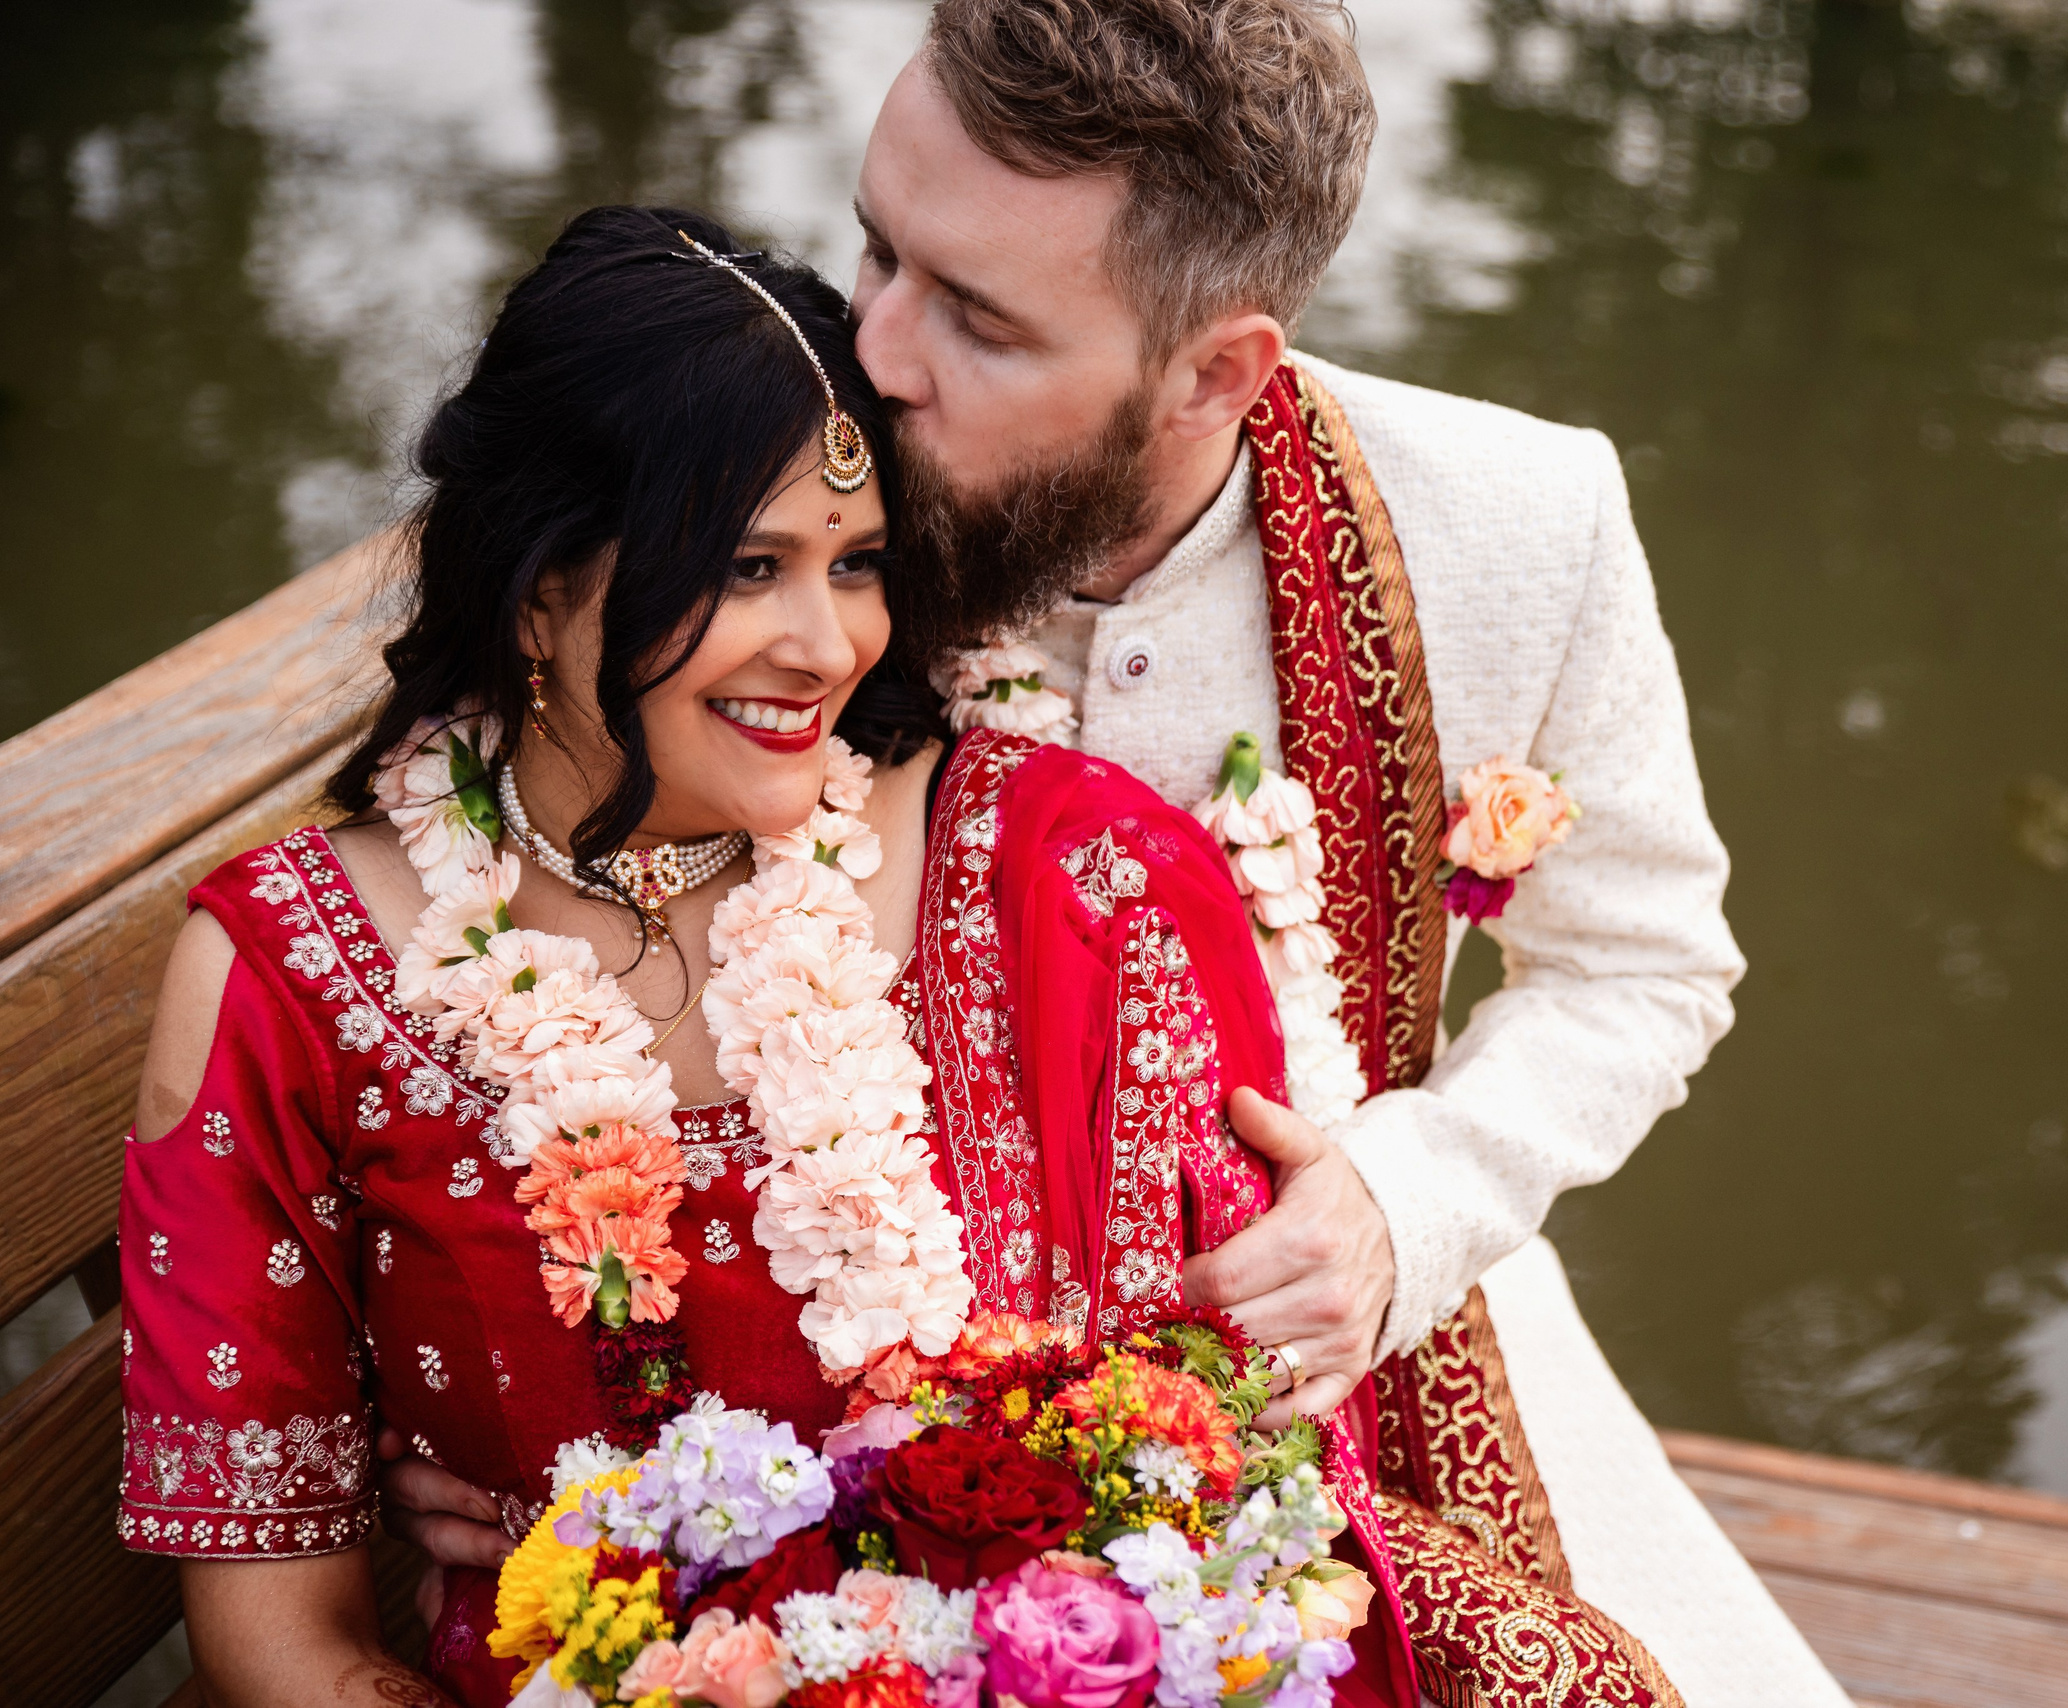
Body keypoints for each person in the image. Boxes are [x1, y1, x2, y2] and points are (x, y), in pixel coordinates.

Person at [388, 5, 1853, 1703]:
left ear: (1219, 373)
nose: (875, 355)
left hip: (1343, 1362)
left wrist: (1403, 1208)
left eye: (980, 321)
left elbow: (1644, 965)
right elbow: (527, 884)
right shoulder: (755, 510)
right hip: (809, 1435)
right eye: (878, 248)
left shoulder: (1521, 527)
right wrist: (525, 1403)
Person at [121, 204, 1468, 1706]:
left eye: (859, 562)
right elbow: (281, 1636)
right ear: (537, 586)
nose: (827, 646)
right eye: (751, 567)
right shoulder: (295, 977)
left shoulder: (1069, 879)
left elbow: (1230, 1492)